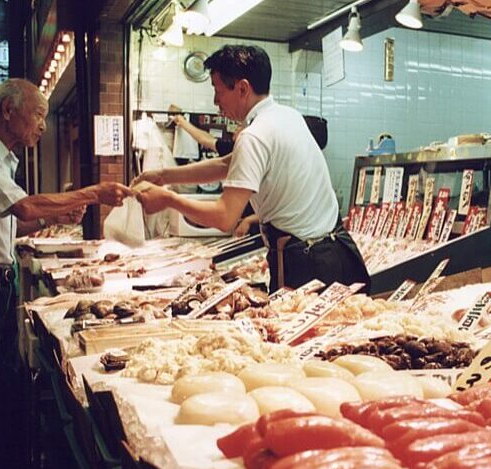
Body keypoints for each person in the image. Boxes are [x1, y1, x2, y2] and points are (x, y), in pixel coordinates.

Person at [0, 78, 132, 469]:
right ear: (9, 111)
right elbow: (23, 207)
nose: (43, 125)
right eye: (39, 114)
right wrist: (91, 193)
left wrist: (55, 216)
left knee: (2, 388)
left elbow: (9, 224)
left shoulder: (3, 160)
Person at [134, 45, 369, 292]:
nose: (215, 101)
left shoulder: (254, 135)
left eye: (218, 91)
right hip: (336, 252)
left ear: (243, 88)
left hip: (306, 263)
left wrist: (168, 199)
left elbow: (224, 217)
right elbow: (227, 164)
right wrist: (163, 176)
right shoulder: (286, 116)